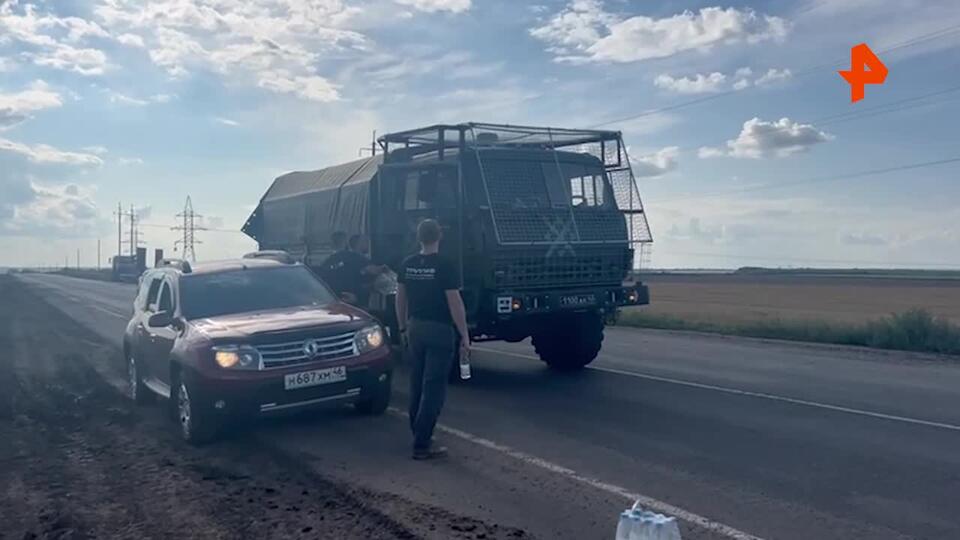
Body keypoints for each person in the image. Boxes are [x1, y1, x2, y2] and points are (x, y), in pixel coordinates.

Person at [396, 219, 469, 460]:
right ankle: (423, 444)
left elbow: (400, 299)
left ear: (419, 238)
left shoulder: (408, 264)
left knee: (417, 383)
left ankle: (418, 431)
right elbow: (455, 303)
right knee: (434, 388)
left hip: (415, 327)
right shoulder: (445, 265)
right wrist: (465, 335)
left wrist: (402, 327)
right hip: (439, 330)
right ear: (439, 237)